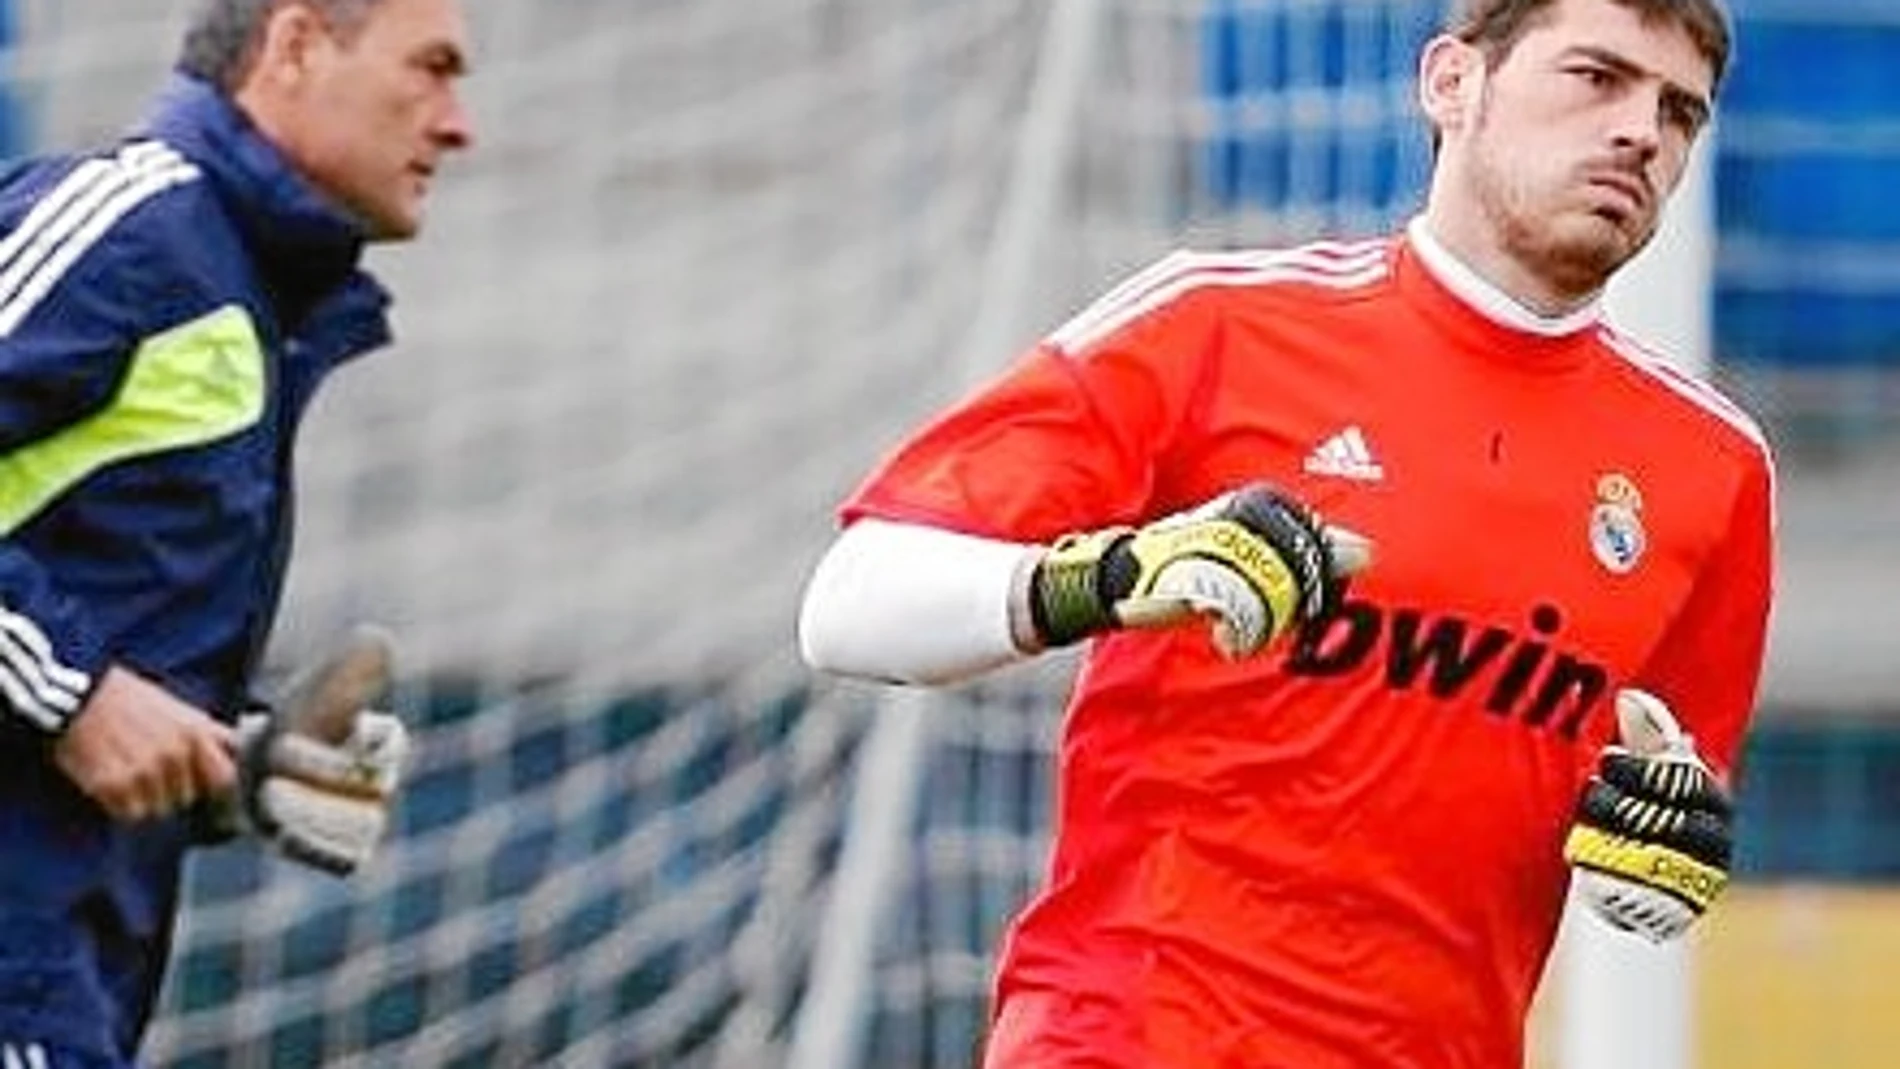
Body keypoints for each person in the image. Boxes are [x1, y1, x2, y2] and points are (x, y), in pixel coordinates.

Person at [798, 0, 1769, 1064]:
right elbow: (850, 603)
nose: (1641, 130)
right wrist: (1112, 575)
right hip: (1127, 1038)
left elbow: (1662, 812)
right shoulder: (1215, 323)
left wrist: (1659, 863)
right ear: (1450, 83)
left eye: (1679, 112)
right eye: (1595, 77)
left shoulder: (1713, 472)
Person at [0, 0, 473, 1064]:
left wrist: (243, 757)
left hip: (63, 971)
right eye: (432, 69)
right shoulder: (130, 233)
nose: (458, 123)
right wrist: (68, 691)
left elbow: (91, 619)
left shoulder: (246, 296)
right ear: (298, 45)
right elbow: (72, 687)